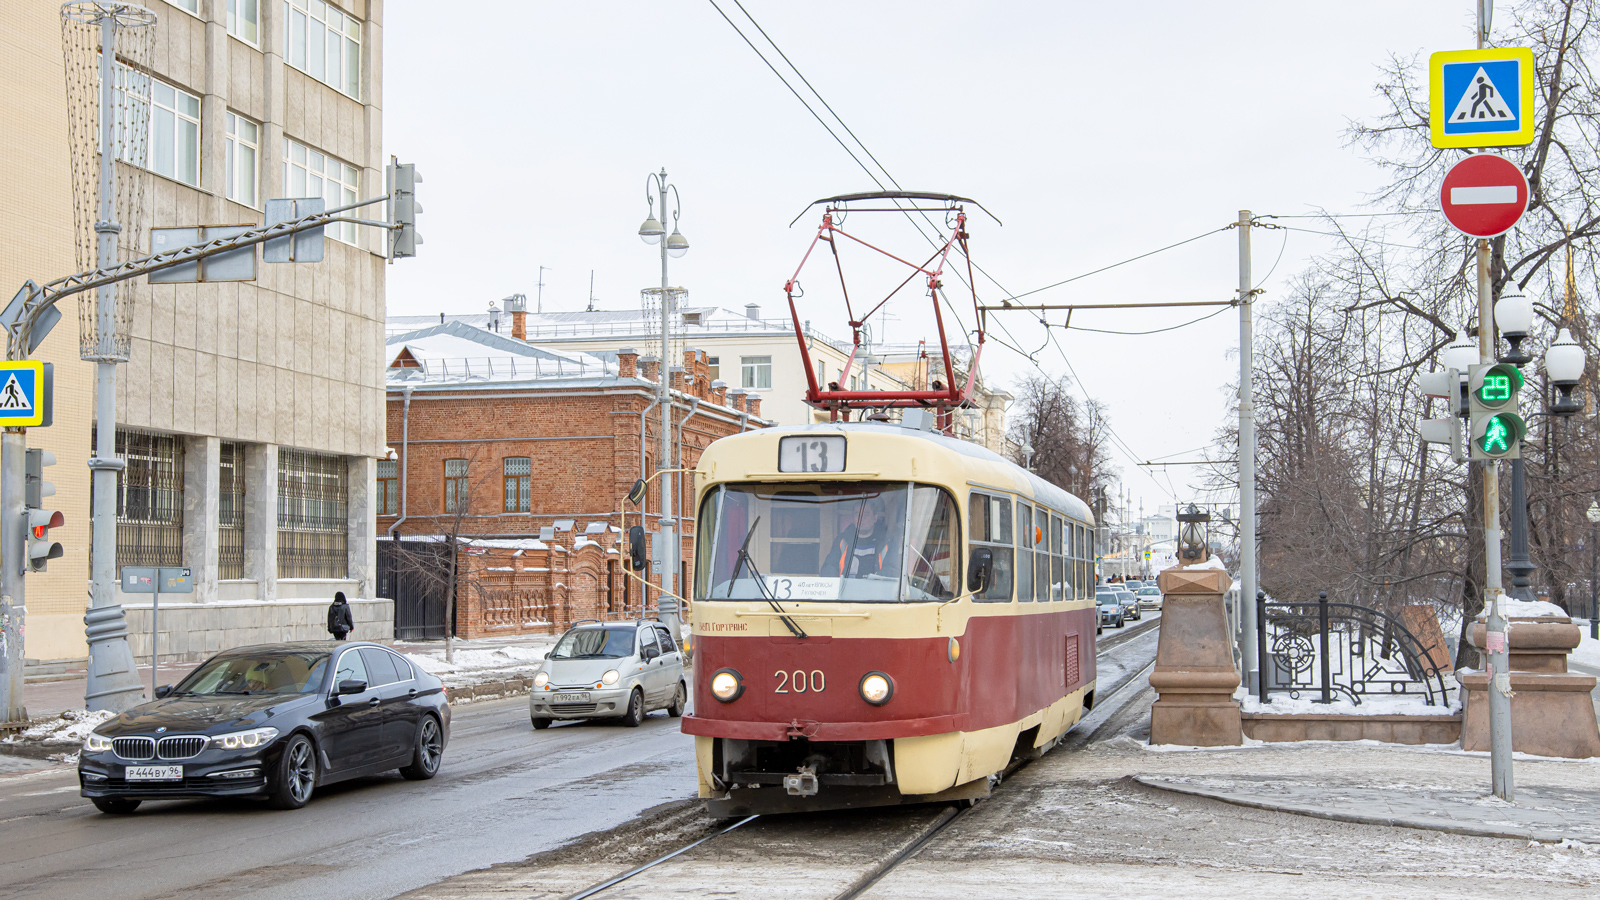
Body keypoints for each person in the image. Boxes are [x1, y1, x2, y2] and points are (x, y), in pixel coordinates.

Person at [823, 496, 900, 579]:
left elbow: (892, 569)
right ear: (853, 518)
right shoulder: (842, 540)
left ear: (875, 518)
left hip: (875, 590)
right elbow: (829, 567)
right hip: (846, 590)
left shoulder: (887, 541)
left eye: (866, 514)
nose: (861, 518)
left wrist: (875, 580)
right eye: (857, 514)